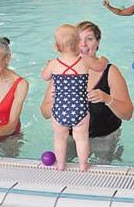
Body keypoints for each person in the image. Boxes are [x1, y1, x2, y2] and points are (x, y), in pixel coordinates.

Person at [41, 21, 133, 164]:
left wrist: (107, 99)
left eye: (89, 39)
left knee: (102, 169)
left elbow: (128, 114)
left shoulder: (110, 72)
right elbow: (45, 113)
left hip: (104, 137)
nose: (83, 44)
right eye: (79, 39)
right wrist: (56, 100)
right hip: (71, 137)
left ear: (97, 43)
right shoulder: (61, 72)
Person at [41, 24, 108, 171]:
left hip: (59, 109)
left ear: (55, 46)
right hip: (80, 109)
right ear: (78, 43)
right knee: (81, 138)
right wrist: (104, 59)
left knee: (60, 138)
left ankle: (60, 165)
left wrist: (46, 69)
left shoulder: (54, 64)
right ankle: (83, 165)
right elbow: (100, 67)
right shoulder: (84, 61)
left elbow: (45, 77)